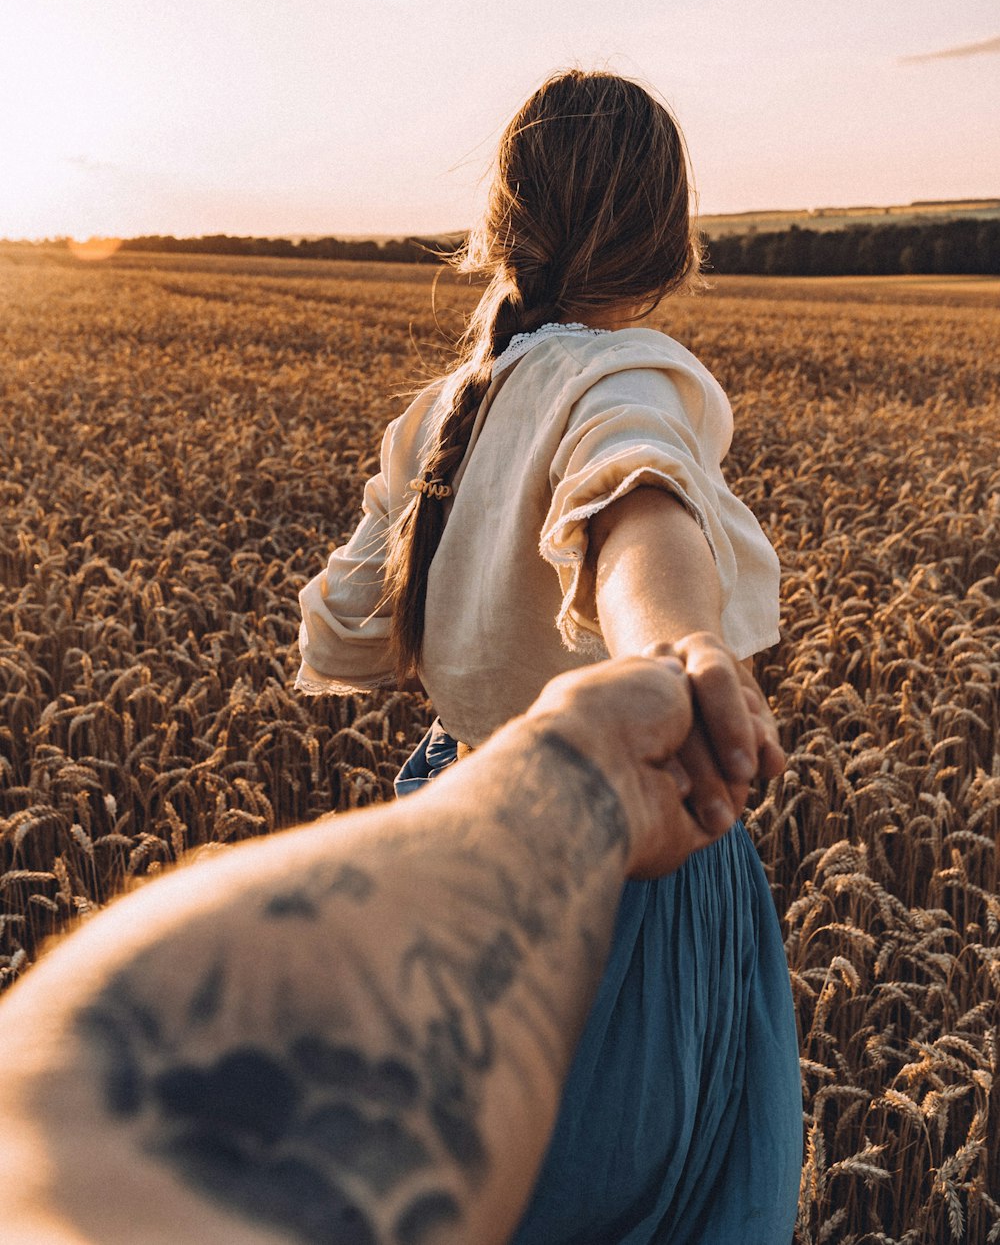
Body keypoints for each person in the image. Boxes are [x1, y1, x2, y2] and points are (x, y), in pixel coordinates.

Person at [297, 70, 803, 1243]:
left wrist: (440, 528)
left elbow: (343, 629)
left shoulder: (443, 410)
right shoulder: (625, 380)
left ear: (500, 227)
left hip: (452, 829)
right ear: (669, 244)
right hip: (624, 869)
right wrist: (674, 650)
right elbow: (638, 507)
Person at [0, 651, 766, 1245]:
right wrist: (593, 761)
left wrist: (583, 757)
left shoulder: (436, 455)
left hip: (526, 818)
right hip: (623, 855)